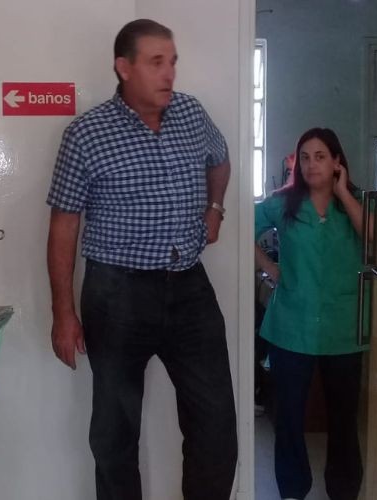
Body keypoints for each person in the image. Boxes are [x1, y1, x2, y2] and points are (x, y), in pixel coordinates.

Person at [46, 19, 237, 500]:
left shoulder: (191, 114)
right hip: (117, 294)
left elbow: (220, 159)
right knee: (115, 433)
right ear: (124, 68)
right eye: (156, 62)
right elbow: (64, 223)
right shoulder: (87, 134)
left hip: (189, 288)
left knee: (216, 425)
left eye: (172, 62)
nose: (169, 73)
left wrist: (214, 208)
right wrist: (63, 313)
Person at [254, 128, 368, 500]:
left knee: (344, 418)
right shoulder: (282, 204)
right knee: (289, 417)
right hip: (292, 327)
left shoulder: (357, 203)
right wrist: (270, 268)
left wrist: (342, 194)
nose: (310, 164)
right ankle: (292, 490)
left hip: (343, 329)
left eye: (320, 156)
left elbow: (376, 240)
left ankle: (343, 491)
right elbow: (242, 227)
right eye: (304, 157)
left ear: (337, 162)